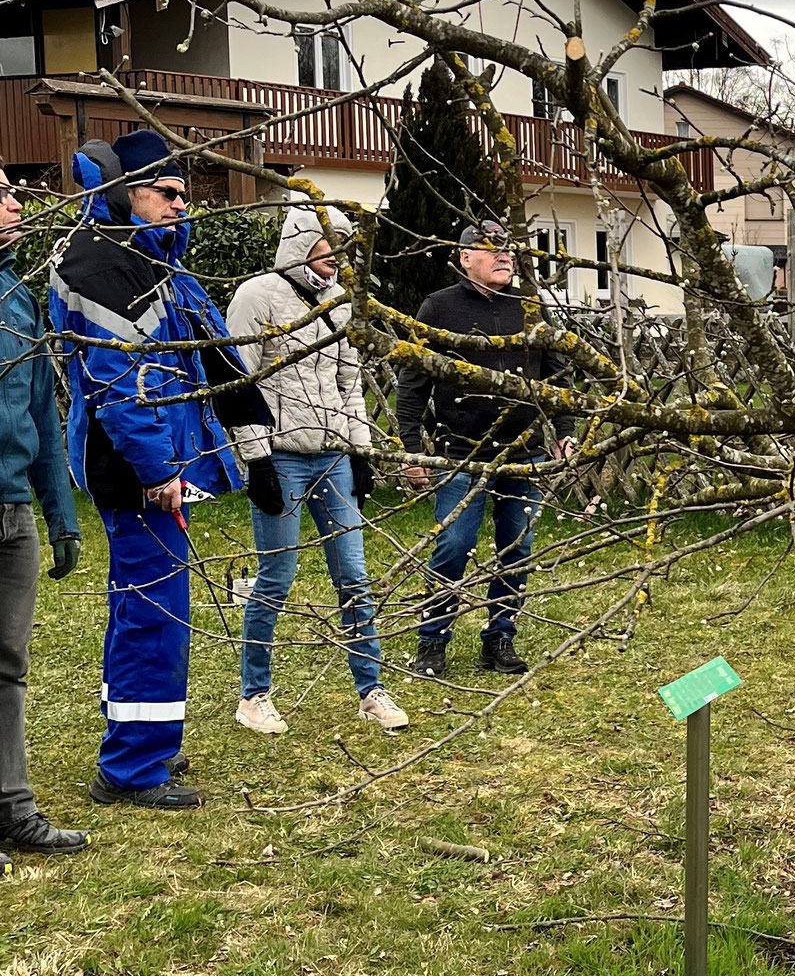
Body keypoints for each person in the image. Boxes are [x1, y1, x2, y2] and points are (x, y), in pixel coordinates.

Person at [47, 134, 270, 809]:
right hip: (139, 474)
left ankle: (137, 740)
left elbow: (207, 357)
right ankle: (133, 768)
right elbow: (122, 384)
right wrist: (159, 468)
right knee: (155, 617)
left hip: (154, 469)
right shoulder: (103, 264)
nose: (182, 206)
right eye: (167, 193)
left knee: (141, 610)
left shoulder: (142, 260)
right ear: (124, 192)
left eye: (184, 194)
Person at [226, 206, 408, 736]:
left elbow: (349, 383)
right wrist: (256, 458)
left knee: (353, 574)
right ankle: (253, 695)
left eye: (343, 246)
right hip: (280, 455)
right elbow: (240, 384)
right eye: (326, 244)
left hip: (332, 455)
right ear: (301, 242)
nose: (335, 256)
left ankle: (370, 688)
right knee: (277, 576)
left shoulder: (341, 305)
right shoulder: (256, 297)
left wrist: (360, 449)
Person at [0, 143, 87, 877]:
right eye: (1, 191)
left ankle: (9, 807)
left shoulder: (15, 293)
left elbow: (43, 407)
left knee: (4, 666)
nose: (17, 204)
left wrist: (60, 511)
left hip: (13, 508)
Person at [396, 220, 572, 679]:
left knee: (518, 547)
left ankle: (500, 639)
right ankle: (432, 642)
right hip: (461, 453)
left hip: (524, 452)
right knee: (454, 545)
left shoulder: (530, 306)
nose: (505, 256)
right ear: (465, 258)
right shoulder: (438, 307)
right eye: (492, 249)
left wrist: (566, 429)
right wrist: (412, 448)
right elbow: (413, 383)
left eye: (509, 250)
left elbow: (557, 376)